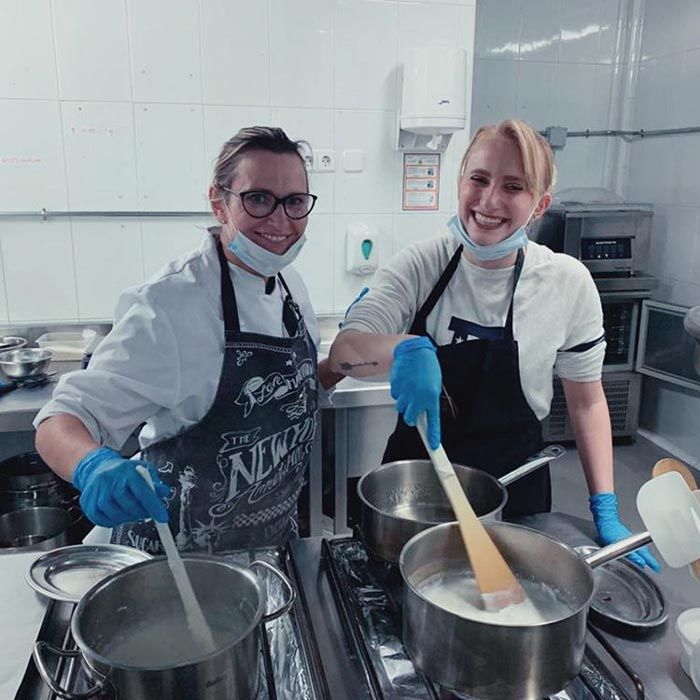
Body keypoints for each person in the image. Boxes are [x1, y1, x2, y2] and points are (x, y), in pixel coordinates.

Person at [329, 118, 658, 570]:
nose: (488, 201)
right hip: (416, 495)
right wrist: (400, 347)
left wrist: (605, 507)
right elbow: (345, 352)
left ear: (539, 204)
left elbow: (586, 403)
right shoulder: (421, 264)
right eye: (478, 180)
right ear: (460, 182)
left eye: (513, 186)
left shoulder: (566, 283)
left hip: (514, 495)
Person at [35, 126, 335, 554]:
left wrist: (349, 362)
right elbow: (60, 419)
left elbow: (290, 392)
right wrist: (92, 465)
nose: (280, 219)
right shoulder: (171, 305)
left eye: (295, 202)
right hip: (173, 558)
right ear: (219, 202)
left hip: (265, 550)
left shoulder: (290, 285)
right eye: (258, 198)